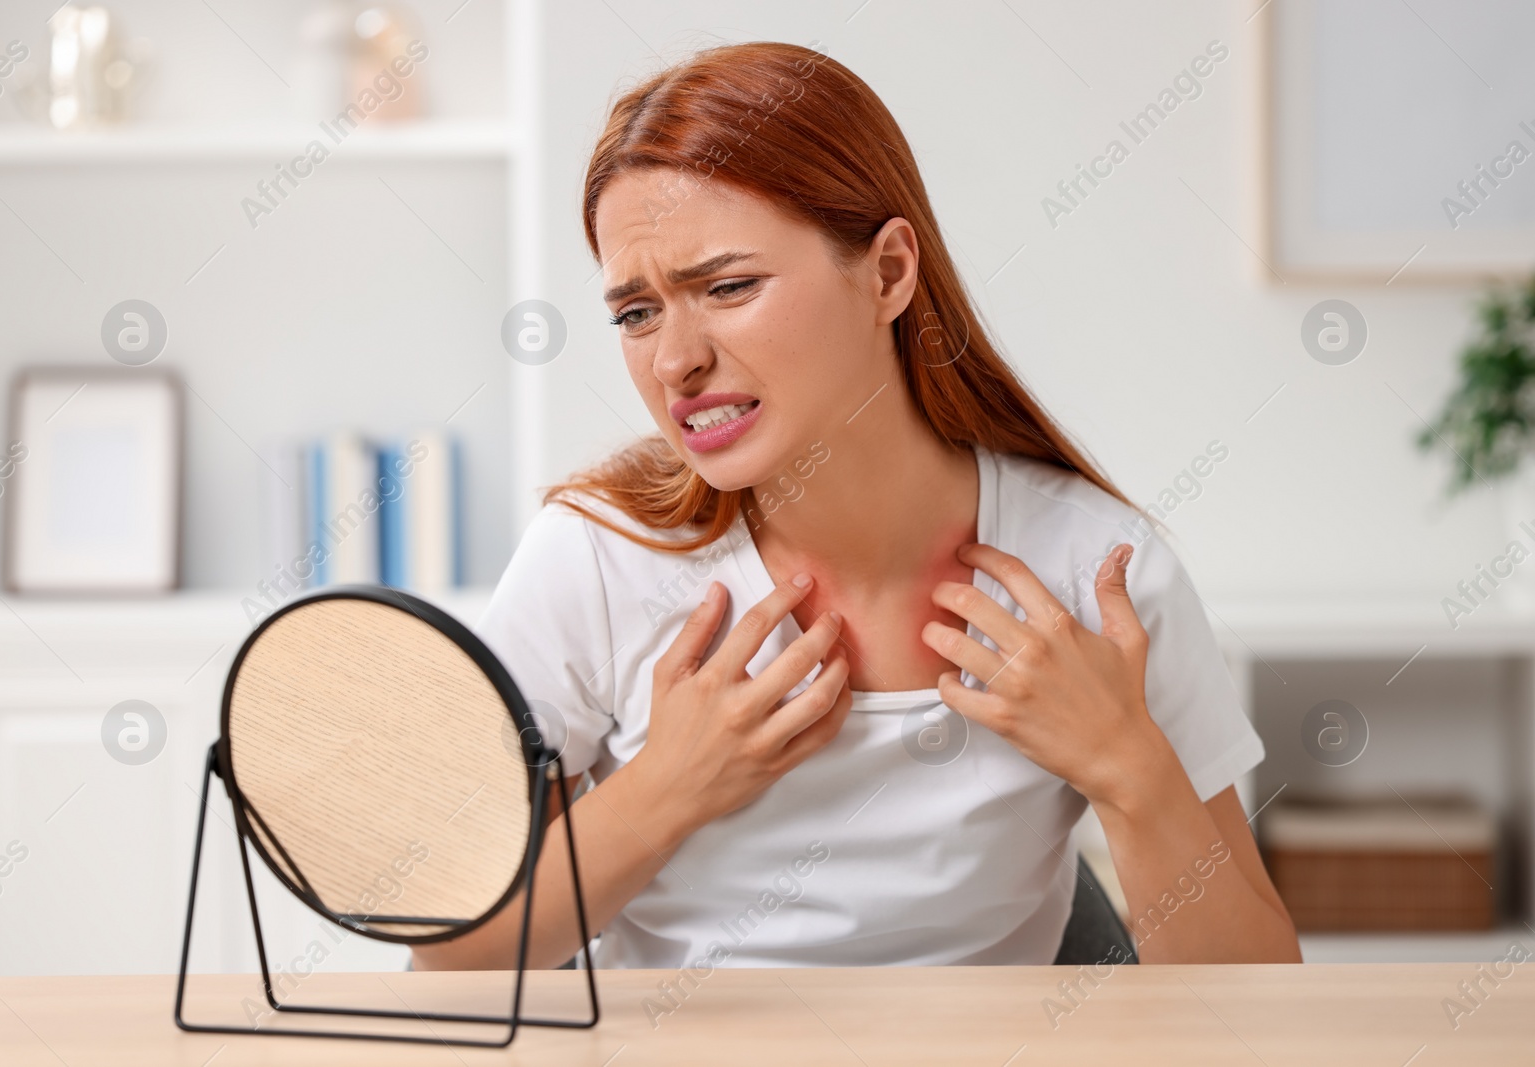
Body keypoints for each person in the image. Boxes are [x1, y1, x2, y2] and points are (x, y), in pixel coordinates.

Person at [412, 41, 1300, 971]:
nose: (674, 361)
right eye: (636, 313)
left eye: (727, 287)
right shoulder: (597, 561)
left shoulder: (1098, 572)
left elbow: (1254, 1001)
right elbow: (451, 958)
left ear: (887, 274)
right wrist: (664, 789)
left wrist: (1128, 766)